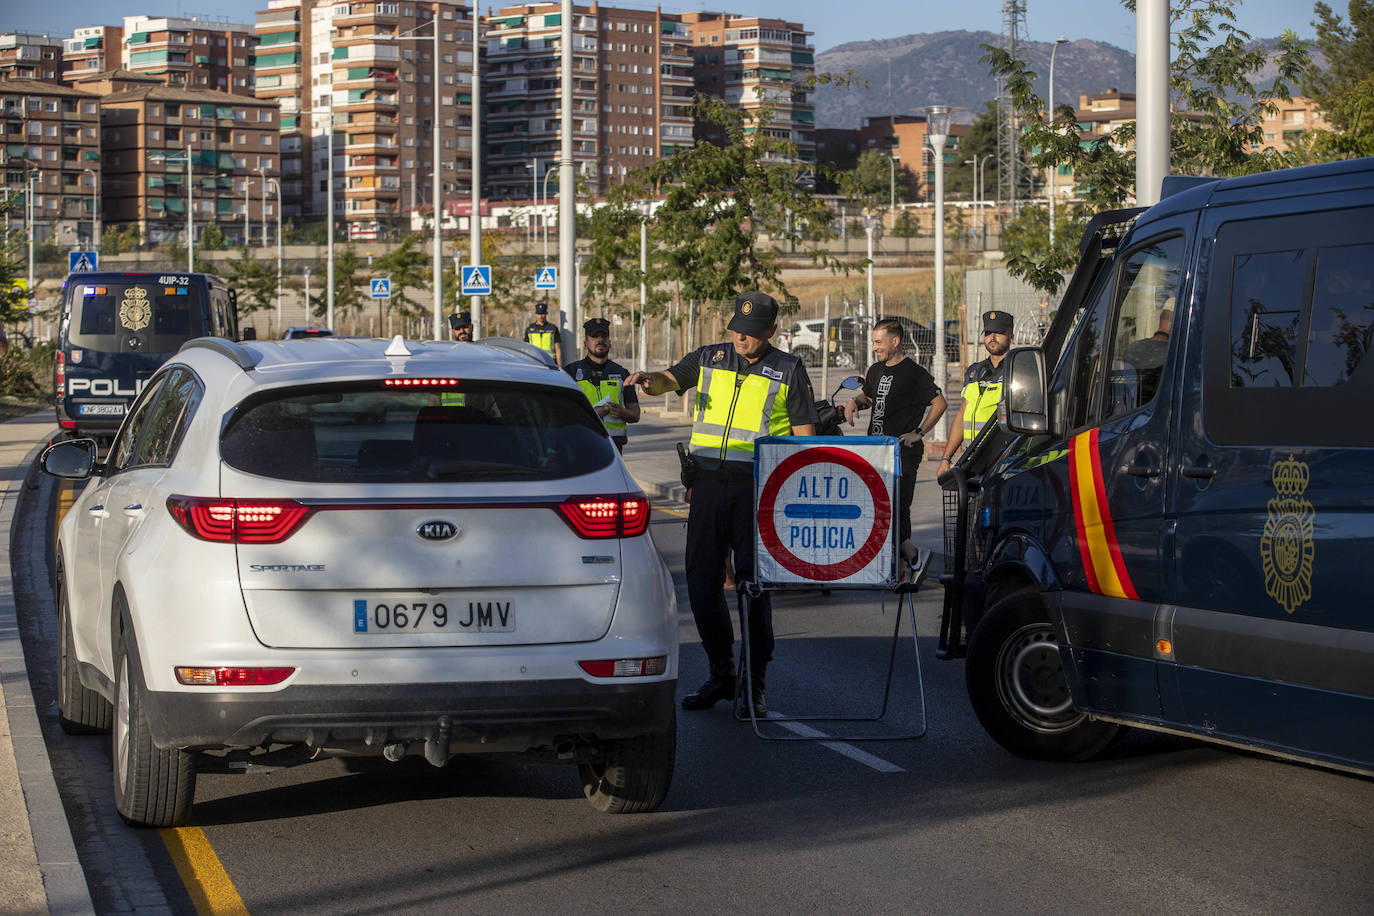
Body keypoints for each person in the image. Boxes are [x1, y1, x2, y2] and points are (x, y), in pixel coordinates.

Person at [626, 291, 817, 717]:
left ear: (770, 332)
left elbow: (806, 436)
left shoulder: (788, 368)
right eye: (736, 329)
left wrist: (797, 492)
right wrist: (647, 380)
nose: (740, 337)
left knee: (752, 585)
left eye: (750, 332)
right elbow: (669, 380)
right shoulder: (710, 356)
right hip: (708, 486)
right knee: (701, 581)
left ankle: (756, 680)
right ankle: (722, 671)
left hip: (757, 489)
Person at [841, 318, 947, 568]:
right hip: (875, 452)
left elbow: (940, 403)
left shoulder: (914, 373)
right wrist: (853, 401)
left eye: (879, 342)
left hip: (902, 453)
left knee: (898, 509)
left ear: (895, 341)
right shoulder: (875, 370)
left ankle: (911, 559)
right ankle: (899, 567)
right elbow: (869, 396)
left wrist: (919, 432)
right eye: (873, 342)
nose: (875, 347)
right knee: (878, 507)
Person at [938, 310, 1012, 474]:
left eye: (998, 332)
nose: (992, 337)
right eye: (988, 333)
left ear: (1011, 335)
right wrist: (946, 458)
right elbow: (962, 414)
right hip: (971, 458)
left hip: (1002, 459)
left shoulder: (1016, 371)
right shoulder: (975, 371)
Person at [564, 316, 640, 452]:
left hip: (613, 449)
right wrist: (593, 414)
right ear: (585, 343)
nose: (600, 340)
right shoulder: (570, 373)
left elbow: (635, 414)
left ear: (610, 343)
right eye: (594, 337)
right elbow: (562, 414)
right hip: (580, 444)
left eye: (604, 336)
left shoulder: (622, 374)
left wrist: (623, 412)